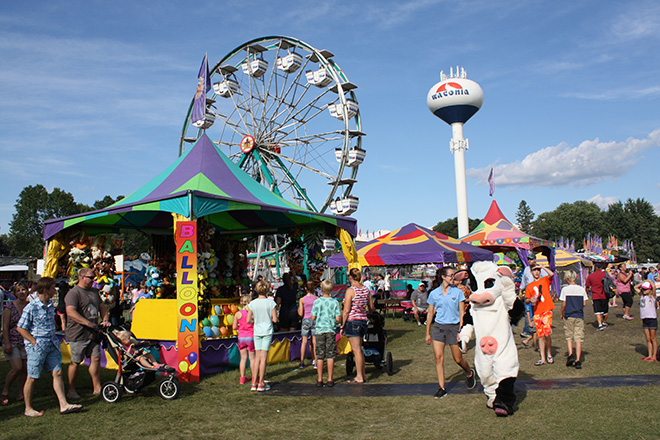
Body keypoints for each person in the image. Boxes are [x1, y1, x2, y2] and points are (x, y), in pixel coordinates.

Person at [16, 276, 82, 417]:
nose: (55, 291)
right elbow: (21, 328)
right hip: (37, 346)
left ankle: (63, 404)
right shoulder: (31, 307)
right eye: (53, 288)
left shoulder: (50, 305)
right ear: (46, 290)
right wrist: (34, 342)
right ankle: (28, 408)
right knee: (32, 376)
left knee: (57, 372)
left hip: (51, 344)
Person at [425, 266, 476, 399]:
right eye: (451, 275)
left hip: (453, 328)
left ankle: (469, 372)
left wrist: (460, 329)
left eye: (454, 275)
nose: (453, 278)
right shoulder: (434, 294)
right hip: (439, 327)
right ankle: (442, 388)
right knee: (438, 357)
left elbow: (461, 312)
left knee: (458, 359)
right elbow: (430, 313)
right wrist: (427, 332)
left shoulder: (458, 292)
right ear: (443, 277)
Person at [65, 267, 110, 399]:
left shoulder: (94, 292)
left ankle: (97, 387)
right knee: (76, 361)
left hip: (93, 333)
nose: (93, 280)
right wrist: (87, 323)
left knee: (95, 358)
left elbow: (102, 307)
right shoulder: (73, 293)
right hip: (78, 334)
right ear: (82, 277)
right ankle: (71, 390)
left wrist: (105, 319)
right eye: (91, 277)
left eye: (93, 277)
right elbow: (70, 312)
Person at [341, 268, 374, 384]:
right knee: (359, 349)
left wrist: (342, 325)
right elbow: (371, 307)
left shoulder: (351, 291)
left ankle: (359, 376)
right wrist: (367, 313)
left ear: (350, 277)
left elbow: (346, 310)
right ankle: (362, 374)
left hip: (352, 320)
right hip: (362, 320)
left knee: (357, 350)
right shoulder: (366, 290)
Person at [247, 280, 278, 392]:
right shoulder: (271, 303)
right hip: (267, 331)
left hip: (257, 331)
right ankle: (261, 382)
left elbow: (248, 319)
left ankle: (254, 383)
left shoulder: (253, 303)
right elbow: (275, 319)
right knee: (263, 357)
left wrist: (257, 319)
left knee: (257, 357)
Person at [2, 282, 29, 405]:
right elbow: (5, 327)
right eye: (19, 290)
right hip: (12, 341)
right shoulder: (9, 307)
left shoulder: (30, 306)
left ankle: (20, 393)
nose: (21, 292)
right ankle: (5, 392)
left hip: (25, 341)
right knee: (17, 367)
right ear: (15, 293)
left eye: (23, 290)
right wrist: (7, 343)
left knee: (24, 369)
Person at [311, 279, 341, 387]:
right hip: (330, 330)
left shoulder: (317, 302)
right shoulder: (335, 302)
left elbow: (313, 317)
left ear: (322, 289)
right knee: (330, 354)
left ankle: (319, 379)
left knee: (319, 355)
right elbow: (338, 318)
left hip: (319, 330)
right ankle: (330, 379)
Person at [524, 263, 555, 366]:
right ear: (531, 272)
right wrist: (530, 299)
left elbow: (551, 274)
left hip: (546, 310)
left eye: (538, 270)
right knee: (540, 335)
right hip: (537, 312)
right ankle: (543, 358)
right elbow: (527, 300)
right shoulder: (530, 286)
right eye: (534, 270)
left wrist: (543, 267)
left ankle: (549, 353)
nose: (536, 272)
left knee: (547, 333)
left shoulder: (545, 280)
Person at [559, 271, 588, 369]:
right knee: (578, 338)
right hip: (579, 315)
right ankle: (578, 360)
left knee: (569, 336)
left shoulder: (565, 289)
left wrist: (561, 313)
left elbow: (564, 303)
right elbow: (584, 303)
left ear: (567, 279)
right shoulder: (581, 289)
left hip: (569, 314)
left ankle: (571, 354)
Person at [233, 294, 255, 385]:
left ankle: (242, 377)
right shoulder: (252, 313)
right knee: (252, 358)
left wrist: (241, 328)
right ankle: (254, 376)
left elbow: (234, 327)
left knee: (243, 358)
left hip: (241, 337)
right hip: (251, 336)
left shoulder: (237, 314)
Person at [297, 281, 317, 369]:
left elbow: (300, 313)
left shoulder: (302, 299)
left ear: (305, 289)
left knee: (304, 341)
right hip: (314, 319)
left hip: (305, 319)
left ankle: (301, 361)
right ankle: (316, 361)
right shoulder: (317, 298)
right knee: (314, 341)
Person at [636, 281, 658, 361]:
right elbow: (636, 287)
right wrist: (643, 282)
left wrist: (649, 281)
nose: (644, 291)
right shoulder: (642, 296)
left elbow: (654, 287)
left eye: (645, 289)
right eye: (643, 289)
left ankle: (654, 356)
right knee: (648, 339)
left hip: (652, 319)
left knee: (653, 338)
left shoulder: (652, 296)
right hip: (644, 319)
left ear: (650, 290)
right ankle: (649, 355)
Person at [585, 264, 609, 331]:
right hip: (604, 294)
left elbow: (587, 286)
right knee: (605, 311)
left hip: (595, 295)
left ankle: (600, 324)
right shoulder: (604, 274)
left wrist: (586, 294)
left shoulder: (591, 276)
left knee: (597, 311)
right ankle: (604, 322)